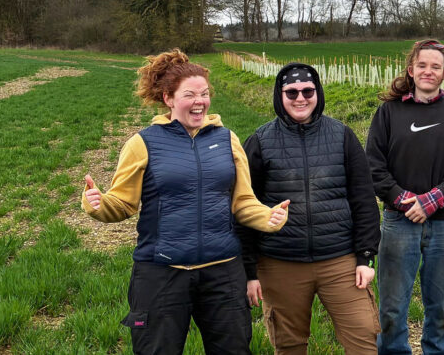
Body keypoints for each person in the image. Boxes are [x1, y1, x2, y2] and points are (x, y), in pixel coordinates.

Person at [80, 49, 290, 355]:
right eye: (189, 94)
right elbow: (123, 204)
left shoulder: (227, 139)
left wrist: (267, 217)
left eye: (204, 94)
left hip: (223, 272)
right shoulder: (143, 143)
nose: (199, 101)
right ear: (168, 99)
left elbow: (243, 202)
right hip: (161, 273)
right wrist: (97, 204)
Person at [238, 63, 382, 354]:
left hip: (340, 261)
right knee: (289, 345)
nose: (300, 98)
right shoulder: (260, 141)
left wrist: (365, 257)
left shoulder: (342, 135)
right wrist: (249, 271)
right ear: (280, 96)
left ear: (318, 93)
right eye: (291, 92)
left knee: (364, 338)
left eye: (307, 91)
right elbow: (243, 208)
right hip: (280, 262)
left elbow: (363, 199)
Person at [365, 39, 444, 355]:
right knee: (392, 308)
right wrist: (403, 200)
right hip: (398, 223)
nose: (428, 71)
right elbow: (373, 165)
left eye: (435, 66)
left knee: (438, 308)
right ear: (411, 70)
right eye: (422, 65)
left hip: (443, 225)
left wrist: (432, 200)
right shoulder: (389, 112)